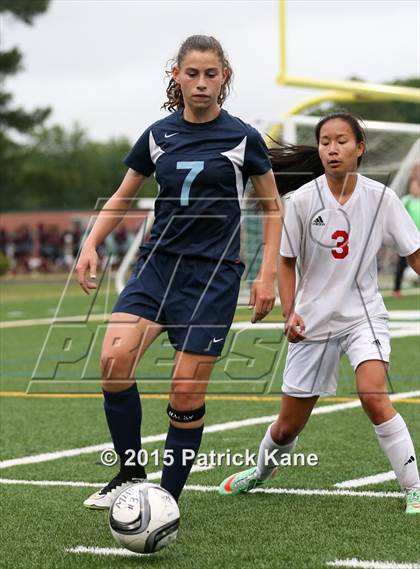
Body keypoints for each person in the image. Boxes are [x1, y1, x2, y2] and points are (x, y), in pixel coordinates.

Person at [77, 35, 282, 508]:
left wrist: (266, 274)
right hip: (157, 266)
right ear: (177, 76)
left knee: (185, 391)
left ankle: (165, 499)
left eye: (212, 74)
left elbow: (273, 208)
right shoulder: (157, 134)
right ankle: (130, 474)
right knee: (113, 361)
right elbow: (122, 196)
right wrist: (91, 243)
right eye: (192, 73)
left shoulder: (242, 137)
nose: (202, 83)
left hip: (212, 276)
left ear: (224, 77)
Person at [218, 112, 420, 514]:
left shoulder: (382, 198)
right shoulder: (301, 201)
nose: (332, 148)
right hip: (311, 323)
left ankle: (413, 486)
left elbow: (414, 254)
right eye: (325, 141)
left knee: (373, 395)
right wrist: (290, 312)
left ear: (359, 149)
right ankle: (260, 472)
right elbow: (286, 261)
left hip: (364, 318)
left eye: (341, 140)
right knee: (288, 425)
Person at [393, 163, 420, 297]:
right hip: (408, 238)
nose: (415, 188)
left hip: (419, 238)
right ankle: (396, 290)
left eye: (417, 186)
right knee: (402, 264)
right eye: (412, 186)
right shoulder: (406, 200)